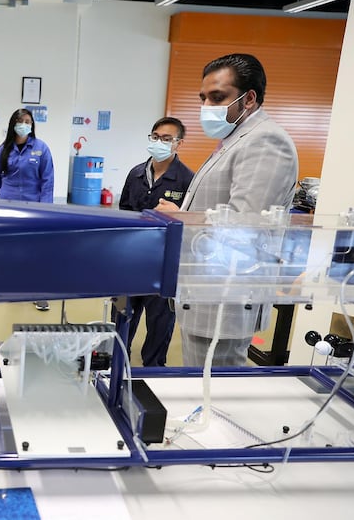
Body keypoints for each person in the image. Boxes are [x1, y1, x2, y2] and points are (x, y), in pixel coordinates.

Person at [155, 53, 299, 367]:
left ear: (248, 98)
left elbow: (244, 226)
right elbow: (222, 208)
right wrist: (183, 212)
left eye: (218, 98)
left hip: (225, 298)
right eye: (204, 98)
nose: (207, 106)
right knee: (201, 386)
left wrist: (183, 219)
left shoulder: (265, 141)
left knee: (213, 394)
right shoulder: (235, 139)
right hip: (205, 293)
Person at [117, 117, 193, 366]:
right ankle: (117, 362)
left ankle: (153, 370)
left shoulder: (187, 180)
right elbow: (124, 213)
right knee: (123, 316)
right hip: (131, 259)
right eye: (156, 136)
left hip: (164, 264)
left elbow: (190, 224)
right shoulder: (136, 174)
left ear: (178, 143)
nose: (159, 142)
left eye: (167, 138)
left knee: (160, 323)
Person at [0, 108, 55, 311]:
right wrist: (6, 194)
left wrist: (44, 210)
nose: (24, 124)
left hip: (33, 206)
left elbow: (47, 181)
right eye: (20, 121)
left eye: (28, 121)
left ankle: (37, 292)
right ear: (13, 124)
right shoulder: (4, 149)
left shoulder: (41, 149)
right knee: (10, 247)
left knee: (34, 250)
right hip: (8, 206)